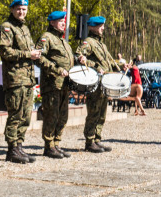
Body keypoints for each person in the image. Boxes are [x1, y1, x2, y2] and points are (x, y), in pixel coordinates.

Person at [0, 0, 39, 163]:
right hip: (15, 79)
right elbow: (6, 53)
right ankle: (11, 149)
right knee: (15, 114)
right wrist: (28, 54)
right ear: (12, 9)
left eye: (24, 9)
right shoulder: (7, 28)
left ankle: (19, 147)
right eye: (18, 9)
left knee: (25, 115)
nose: (21, 12)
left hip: (27, 79)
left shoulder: (24, 29)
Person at [37, 10, 74, 158]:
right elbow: (39, 58)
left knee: (62, 116)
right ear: (52, 22)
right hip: (52, 84)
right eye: (60, 21)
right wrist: (56, 70)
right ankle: (48, 146)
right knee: (51, 115)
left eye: (64, 21)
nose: (63, 23)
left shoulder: (63, 41)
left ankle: (56, 144)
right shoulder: (47, 38)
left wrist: (79, 60)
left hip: (64, 85)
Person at [76, 15, 113, 152]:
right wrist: (96, 66)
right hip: (95, 83)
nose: (103, 28)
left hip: (104, 84)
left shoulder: (101, 44)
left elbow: (109, 62)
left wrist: (121, 67)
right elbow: (79, 57)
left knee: (102, 113)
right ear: (92, 27)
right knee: (93, 112)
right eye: (100, 26)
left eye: (103, 26)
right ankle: (89, 141)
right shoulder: (88, 42)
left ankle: (97, 139)